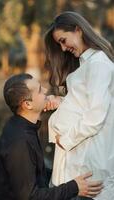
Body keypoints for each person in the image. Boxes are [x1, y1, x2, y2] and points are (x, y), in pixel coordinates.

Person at [0, 73, 102, 200]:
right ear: (28, 104)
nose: (46, 90)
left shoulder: (21, 125)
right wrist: (74, 188)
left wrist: (65, 176)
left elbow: (35, 172)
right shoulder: (19, 142)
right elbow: (30, 197)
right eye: (40, 90)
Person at [44, 11, 114, 200]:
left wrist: (64, 140)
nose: (64, 48)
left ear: (78, 30)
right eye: (60, 44)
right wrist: (62, 102)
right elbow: (85, 103)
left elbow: (95, 116)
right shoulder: (86, 64)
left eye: (63, 40)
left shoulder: (99, 64)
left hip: (91, 162)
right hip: (80, 160)